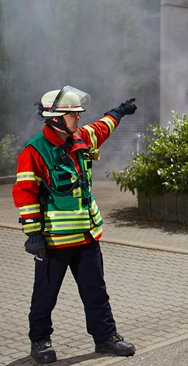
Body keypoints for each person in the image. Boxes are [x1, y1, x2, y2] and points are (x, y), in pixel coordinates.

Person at [13, 86, 138, 364]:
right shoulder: (34, 152)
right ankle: (40, 341)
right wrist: (33, 234)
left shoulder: (80, 138)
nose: (78, 119)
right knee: (45, 295)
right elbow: (25, 194)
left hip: (86, 236)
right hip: (53, 241)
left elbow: (101, 128)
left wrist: (118, 112)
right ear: (56, 118)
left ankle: (106, 337)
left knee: (96, 291)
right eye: (73, 115)